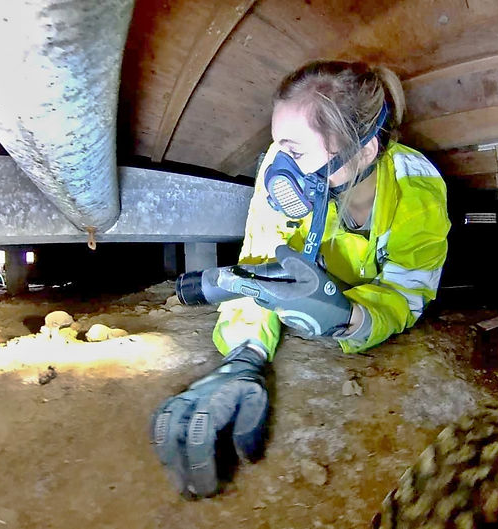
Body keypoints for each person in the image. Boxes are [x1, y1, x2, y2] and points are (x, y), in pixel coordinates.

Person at [151, 60, 451, 498]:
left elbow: (407, 292)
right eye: (278, 147)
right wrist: (245, 354)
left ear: (363, 151)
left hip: (360, 291)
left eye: (294, 151)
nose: (277, 166)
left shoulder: (416, 189)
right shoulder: (282, 172)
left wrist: (351, 316)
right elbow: (255, 267)